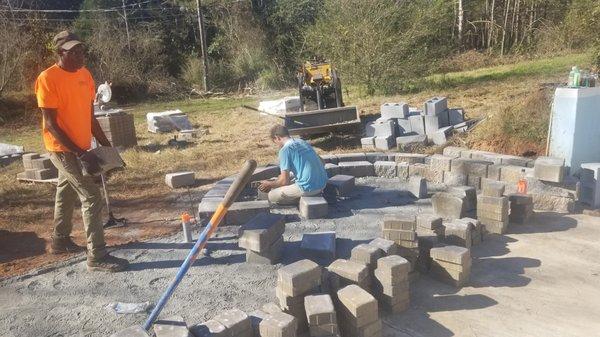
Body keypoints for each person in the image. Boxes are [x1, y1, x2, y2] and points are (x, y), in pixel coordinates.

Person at [34, 31, 128, 272]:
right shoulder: (47, 79)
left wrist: (106, 147)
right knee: (91, 195)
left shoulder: (85, 76)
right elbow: (51, 125)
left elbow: (89, 116)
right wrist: (80, 152)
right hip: (62, 149)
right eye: (73, 51)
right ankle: (97, 256)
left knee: (66, 189)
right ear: (60, 53)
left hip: (81, 146)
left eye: (81, 50)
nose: (79, 55)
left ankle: (60, 240)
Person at [259, 125, 328, 205]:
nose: (277, 145)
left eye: (275, 142)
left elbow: (284, 182)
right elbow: (322, 162)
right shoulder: (302, 142)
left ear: (277, 137)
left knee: (272, 196)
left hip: (309, 188)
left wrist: (269, 184)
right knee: (290, 179)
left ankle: (301, 200)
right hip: (323, 184)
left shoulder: (285, 150)